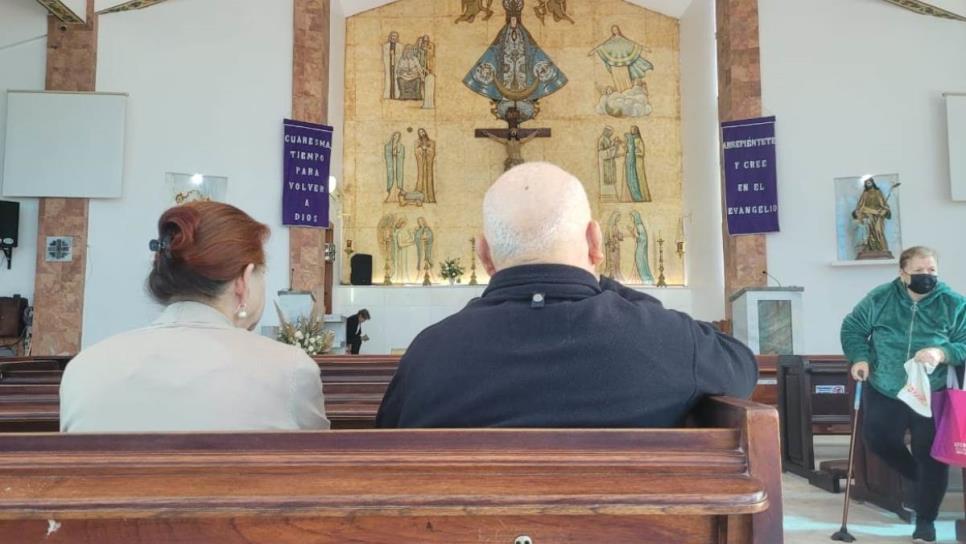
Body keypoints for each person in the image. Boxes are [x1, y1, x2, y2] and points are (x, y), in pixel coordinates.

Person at [376, 162, 757, 428]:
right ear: (595, 241)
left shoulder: (428, 353)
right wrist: (603, 281)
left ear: (484, 254)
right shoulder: (669, 342)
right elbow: (742, 367)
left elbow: (388, 442)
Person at [60, 202, 329, 432]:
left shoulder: (83, 368)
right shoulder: (290, 369)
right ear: (243, 281)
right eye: (262, 273)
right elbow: (320, 469)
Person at [841, 246, 966, 543]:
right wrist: (859, 357)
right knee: (877, 437)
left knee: (931, 456)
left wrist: (941, 351)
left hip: (930, 390)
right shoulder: (881, 298)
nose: (927, 276)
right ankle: (916, 477)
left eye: (932, 271)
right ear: (902, 273)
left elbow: (963, 343)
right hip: (886, 386)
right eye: (919, 271)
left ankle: (926, 520)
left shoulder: (953, 303)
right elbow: (853, 328)